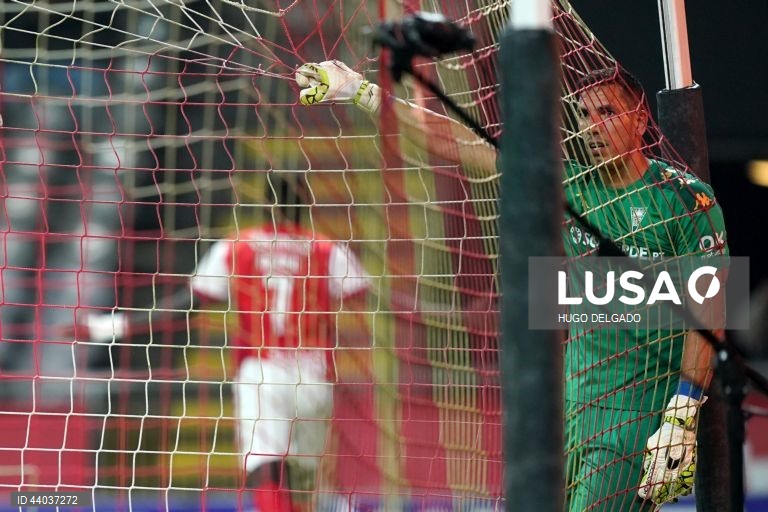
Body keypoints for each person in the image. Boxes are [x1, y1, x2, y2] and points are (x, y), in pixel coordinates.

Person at [294, 60, 728, 510]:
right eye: (584, 114)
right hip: (571, 416)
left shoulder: (683, 199)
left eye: (607, 112)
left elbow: (710, 313)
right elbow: (458, 140)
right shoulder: (568, 184)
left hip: (638, 420)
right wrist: (363, 93)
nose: (593, 126)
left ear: (641, 119)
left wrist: (682, 413)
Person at [78, 172, 371, 512]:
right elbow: (371, 299)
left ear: (265, 205)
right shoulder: (328, 249)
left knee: (264, 464)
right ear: (306, 204)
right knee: (304, 477)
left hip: (262, 371)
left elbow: (187, 306)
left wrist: (109, 326)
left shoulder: (238, 245)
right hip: (315, 375)